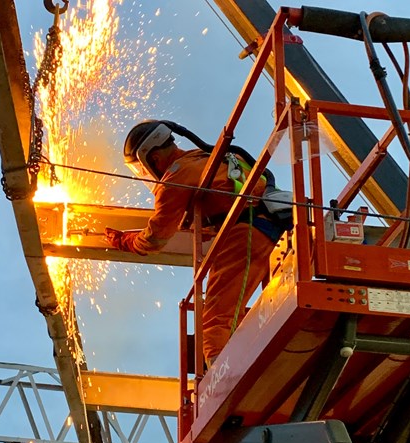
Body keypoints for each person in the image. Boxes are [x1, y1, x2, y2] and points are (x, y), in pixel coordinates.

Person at [105, 120, 290, 367]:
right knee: (284, 299)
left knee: (215, 318)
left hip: (248, 232)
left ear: (154, 158)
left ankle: (220, 377)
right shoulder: (206, 158)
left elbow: (155, 238)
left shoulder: (175, 176)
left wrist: (125, 241)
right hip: (284, 226)